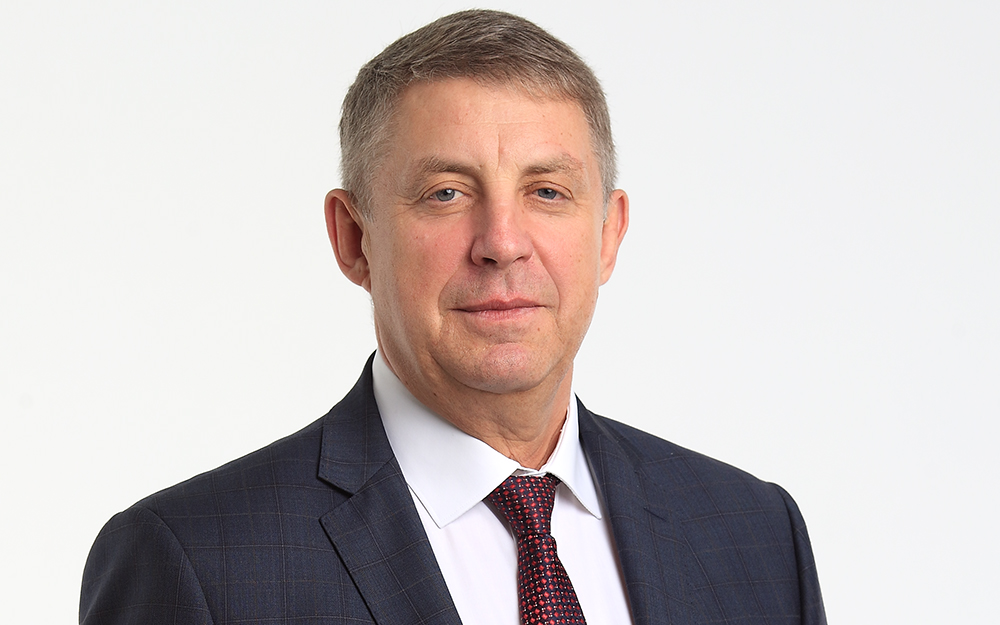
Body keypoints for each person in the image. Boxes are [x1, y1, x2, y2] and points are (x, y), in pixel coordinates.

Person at [80, 9, 826, 625]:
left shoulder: (756, 536)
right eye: (446, 193)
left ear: (608, 235)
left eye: (547, 191)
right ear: (354, 238)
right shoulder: (197, 563)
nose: (502, 242)